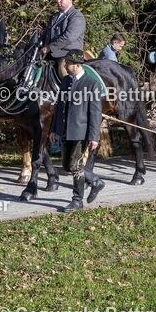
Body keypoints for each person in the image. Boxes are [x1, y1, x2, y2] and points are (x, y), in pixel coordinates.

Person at [46, 50, 105, 211]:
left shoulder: (91, 84)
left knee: (76, 166)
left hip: (81, 131)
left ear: (77, 65)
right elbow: (59, 106)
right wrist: (54, 129)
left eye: (68, 63)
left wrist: (94, 137)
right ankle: (95, 181)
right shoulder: (66, 81)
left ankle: (77, 201)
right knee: (67, 166)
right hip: (65, 130)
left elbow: (95, 113)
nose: (65, 66)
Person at [41, 0, 86, 79]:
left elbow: (68, 37)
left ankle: (70, 87)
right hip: (52, 53)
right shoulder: (55, 16)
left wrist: (49, 48)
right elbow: (46, 34)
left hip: (68, 54)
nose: (58, 1)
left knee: (63, 70)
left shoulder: (77, 16)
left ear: (70, 0)